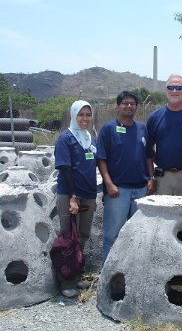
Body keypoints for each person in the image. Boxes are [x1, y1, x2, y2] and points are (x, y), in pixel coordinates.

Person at [97, 91, 155, 263]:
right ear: (118, 106)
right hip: (118, 190)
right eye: (125, 103)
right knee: (112, 234)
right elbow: (101, 158)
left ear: (136, 107)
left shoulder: (142, 128)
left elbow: (148, 157)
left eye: (132, 103)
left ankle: (131, 271)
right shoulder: (108, 129)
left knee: (137, 234)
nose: (129, 106)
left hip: (141, 190)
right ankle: (108, 273)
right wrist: (108, 184)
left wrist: (151, 179)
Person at [54, 100, 97, 298]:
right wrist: (72, 198)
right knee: (68, 238)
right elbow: (65, 169)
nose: (85, 119)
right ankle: (65, 282)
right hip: (70, 195)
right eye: (81, 114)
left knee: (83, 235)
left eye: (88, 115)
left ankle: (76, 273)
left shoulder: (90, 137)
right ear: (73, 115)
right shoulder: (66, 138)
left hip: (89, 194)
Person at [146, 74, 182, 195]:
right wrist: (151, 177)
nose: (174, 91)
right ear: (166, 90)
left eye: (179, 88)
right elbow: (148, 150)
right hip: (163, 177)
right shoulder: (154, 117)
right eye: (170, 87)